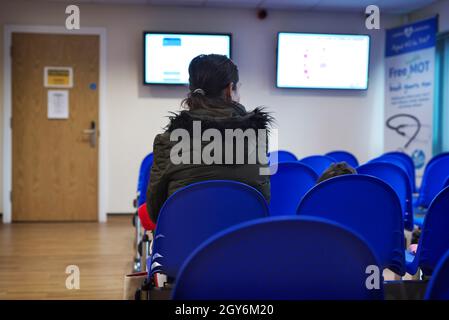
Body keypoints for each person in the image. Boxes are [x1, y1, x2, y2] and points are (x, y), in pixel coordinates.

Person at [146, 54, 272, 224]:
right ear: (229, 90)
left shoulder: (169, 141)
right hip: (243, 245)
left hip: (184, 247)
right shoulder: (258, 139)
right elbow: (263, 202)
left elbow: (156, 213)